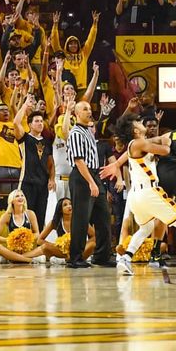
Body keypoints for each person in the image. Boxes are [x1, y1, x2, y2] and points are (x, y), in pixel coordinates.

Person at [111, 114, 176, 276]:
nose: (141, 122)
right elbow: (166, 150)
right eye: (138, 122)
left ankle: (126, 258)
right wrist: (167, 141)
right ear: (135, 131)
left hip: (137, 196)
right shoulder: (139, 142)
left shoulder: (137, 144)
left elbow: (153, 143)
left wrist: (117, 163)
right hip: (149, 192)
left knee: (147, 227)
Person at [65, 102, 113, 268]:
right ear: (77, 113)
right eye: (85, 109)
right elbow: (79, 161)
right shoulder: (76, 133)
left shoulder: (88, 130)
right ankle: (75, 258)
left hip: (94, 175)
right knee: (81, 218)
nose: (89, 111)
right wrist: (91, 182)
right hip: (82, 176)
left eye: (90, 109)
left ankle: (102, 256)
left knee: (104, 216)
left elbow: (98, 124)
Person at [13, 100, 55, 227]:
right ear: (30, 124)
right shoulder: (24, 138)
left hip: (43, 184)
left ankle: (38, 240)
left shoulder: (47, 141)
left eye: (41, 121)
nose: (40, 123)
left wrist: (52, 178)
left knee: (40, 218)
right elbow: (16, 122)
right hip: (27, 182)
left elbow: (51, 163)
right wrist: (25, 106)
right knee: (25, 217)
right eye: (36, 121)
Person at [0, 189, 47, 264]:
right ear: (12, 201)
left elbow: (37, 234)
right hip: (13, 249)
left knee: (43, 248)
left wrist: (26, 238)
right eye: (17, 196)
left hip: (27, 250)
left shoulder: (30, 214)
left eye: (22, 195)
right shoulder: (6, 216)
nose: (20, 197)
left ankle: (12, 258)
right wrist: (11, 239)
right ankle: (30, 260)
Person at [39, 198, 97, 264]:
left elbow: (94, 237)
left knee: (92, 244)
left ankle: (66, 260)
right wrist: (56, 245)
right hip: (63, 251)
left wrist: (85, 245)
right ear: (60, 210)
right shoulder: (55, 222)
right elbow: (39, 240)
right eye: (65, 205)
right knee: (45, 247)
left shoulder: (80, 220)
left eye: (70, 204)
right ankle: (69, 259)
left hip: (79, 251)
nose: (69, 206)